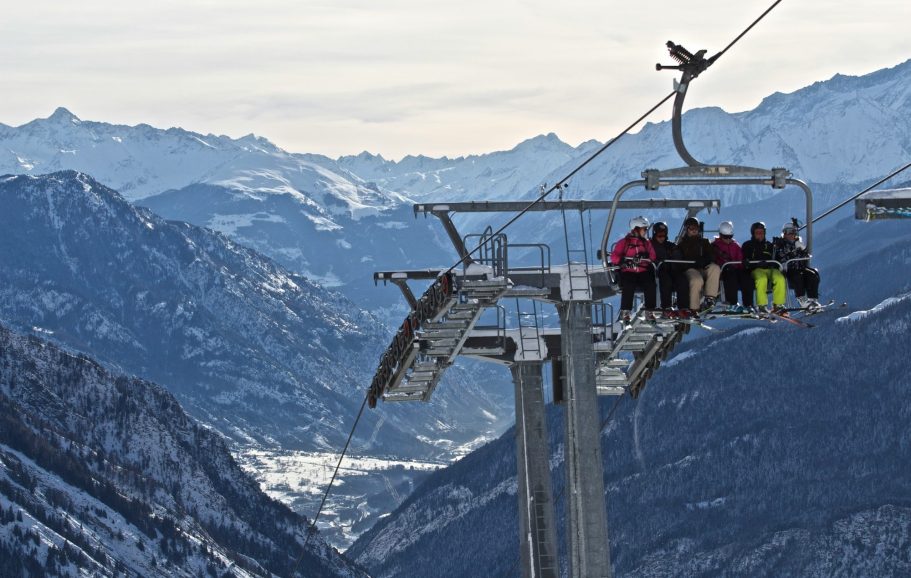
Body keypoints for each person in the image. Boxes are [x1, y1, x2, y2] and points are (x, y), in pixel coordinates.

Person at [610, 216, 657, 322]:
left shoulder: (646, 243)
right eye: (644, 229)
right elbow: (614, 257)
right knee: (628, 284)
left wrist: (644, 255)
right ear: (636, 229)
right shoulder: (624, 242)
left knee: (650, 284)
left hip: (643, 271)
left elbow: (653, 256)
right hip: (629, 271)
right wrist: (624, 261)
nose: (645, 232)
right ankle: (626, 311)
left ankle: (649, 310)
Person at [676, 217, 721, 314]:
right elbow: (680, 261)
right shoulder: (682, 244)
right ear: (687, 229)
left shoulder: (704, 242)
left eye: (696, 228)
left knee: (715, 268)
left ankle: (710, 298)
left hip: (703, 267)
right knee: (697, 280)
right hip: (690, 269)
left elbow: (711, 255)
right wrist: (691, 262)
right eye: (691, 228)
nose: (694, 230)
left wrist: (704, 260)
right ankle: (694, 308)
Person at [773, 220, 821, 309]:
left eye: (793, 232)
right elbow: (779, 256)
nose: (791, 235)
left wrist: (802, 249)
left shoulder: (798, 243)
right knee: (797, 277)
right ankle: (802, 299)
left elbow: (805, 256)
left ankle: (813, 300)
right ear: (784, 233)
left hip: (800, 267)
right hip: (789, 269)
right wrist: (790, 254)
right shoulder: (780, 244)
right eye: (788, 232)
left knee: (813, 274)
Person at [741, 221, 786, 314]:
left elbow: (778, 259)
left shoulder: (770, 245)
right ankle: (762, 305)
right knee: (762, 279)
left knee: (780, 278)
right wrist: (752, 264)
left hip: (770, 268)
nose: (760, 235)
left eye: (762, 233)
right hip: (756, 269)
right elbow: (744, 260)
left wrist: (777, 248)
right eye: (757, 233)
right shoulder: (748, 245)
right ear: (753, 233)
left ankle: (778, 305)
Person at [711, 221, 754, 312]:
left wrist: (744, 265)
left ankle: (748, 304)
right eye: (725, 237)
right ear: (720, 235)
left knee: (747, 277)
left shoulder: (735, 246)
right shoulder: (715, 246)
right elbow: (713, 260)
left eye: (730, 237)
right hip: (724, 271)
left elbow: (740, 258)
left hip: (736, 269)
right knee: (731, 277)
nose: (728, 239)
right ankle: (732, 303)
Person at [650, 221, 687, 316]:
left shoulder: (670, 245)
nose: (662, 238)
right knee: (666, 280)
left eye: (663, 235)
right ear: (654, 234)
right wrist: (658, 262)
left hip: (671, 270)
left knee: (682, 279)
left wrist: (676, 256)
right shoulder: (650, 245)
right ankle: (666, 307)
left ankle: (683, 307)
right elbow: (648, 258)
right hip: (656, 272)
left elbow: (678, 255)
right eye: (659, 236)